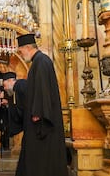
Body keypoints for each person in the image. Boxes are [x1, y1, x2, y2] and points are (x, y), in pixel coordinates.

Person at [15, 34, 68, 176]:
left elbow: (43, 88)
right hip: (39, 116)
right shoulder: (39, 61)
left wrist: (38, 112)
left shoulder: (41, 61)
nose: (21, 54)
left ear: (27, 47)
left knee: (41, 155)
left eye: (20, 51)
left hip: (41, 120)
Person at [1, 72, 27, 137]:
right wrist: (8, 104)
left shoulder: (21, 84)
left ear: (10, 81)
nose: (4, 88)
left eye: (4, 85)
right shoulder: (17, 88)